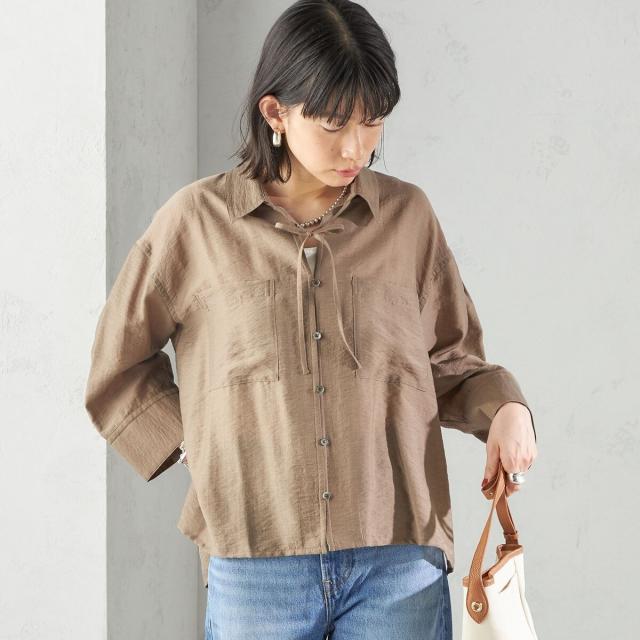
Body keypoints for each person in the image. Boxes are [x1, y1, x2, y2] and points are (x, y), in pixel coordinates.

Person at [84, 1, 538, 638]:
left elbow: (450, 361)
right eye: (333, 124)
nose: (356, 147)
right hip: (254, 558)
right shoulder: (196, 224)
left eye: (372, 122)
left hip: (398, 560)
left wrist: (506, 408)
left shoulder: (408, 219)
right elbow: (117, 369)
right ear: (276, 112)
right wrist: (198, 445)